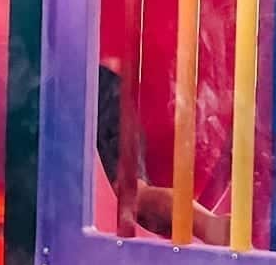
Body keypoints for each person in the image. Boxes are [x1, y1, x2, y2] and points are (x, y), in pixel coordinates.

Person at [96, 60, 232, 246]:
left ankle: (207, 224)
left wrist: (206, 223)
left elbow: (134, 195)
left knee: (133, 195)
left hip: (103, 100)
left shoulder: (103, 90)